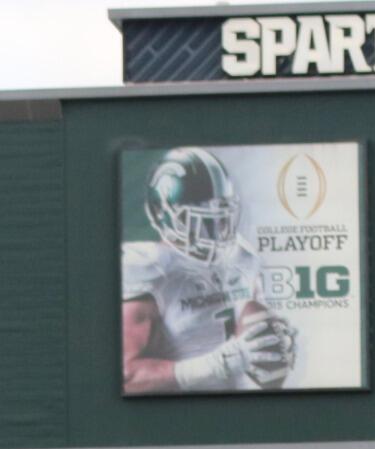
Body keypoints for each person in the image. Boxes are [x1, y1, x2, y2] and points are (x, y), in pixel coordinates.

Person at [120, 146, 299, 392]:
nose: (214, 232)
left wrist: (271, 346)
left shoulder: (241, 257)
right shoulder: (148, 269)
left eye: (220, 219)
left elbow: (256, 344)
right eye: (202, 221)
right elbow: (126, 378)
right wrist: (216, 364)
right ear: (163, 213)